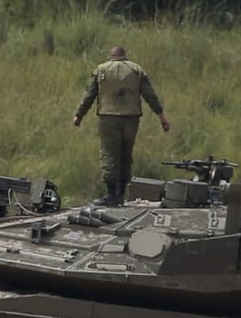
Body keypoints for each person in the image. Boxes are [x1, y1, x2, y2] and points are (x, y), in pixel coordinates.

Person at [72, 46, 170, 205]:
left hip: (108, 118)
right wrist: (162, 117)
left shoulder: (101, 70)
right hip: (131, 119)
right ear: (124, 56)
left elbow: (89, 95)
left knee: (109, 154)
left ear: (111, 56)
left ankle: (111, 195)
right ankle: (121, 193)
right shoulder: (136, 70)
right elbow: (150, 95)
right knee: (126, 155)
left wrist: (79, 115)